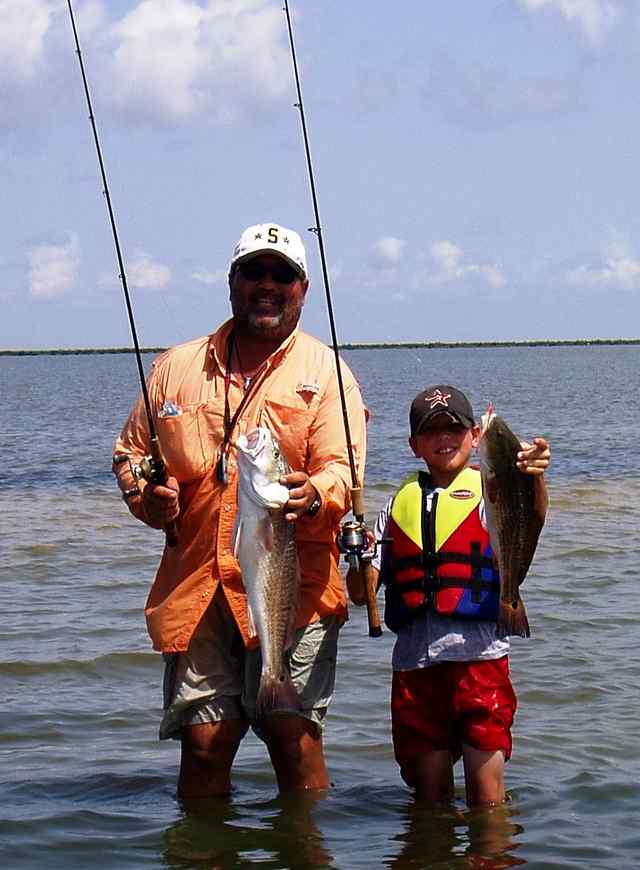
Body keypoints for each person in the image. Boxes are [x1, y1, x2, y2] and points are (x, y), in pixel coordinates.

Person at [113, 222, 367, 797]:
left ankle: (304, 841)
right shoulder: (174, 368)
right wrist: (148, 498)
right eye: (254, 272)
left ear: (303, 289)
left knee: (292, 733)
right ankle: (204, 842)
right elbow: (130, 456)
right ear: (232, 281)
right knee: (205, 741)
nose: (267, 285)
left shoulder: (327, 373)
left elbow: (343, 468)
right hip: (197, 583)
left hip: (293, 582)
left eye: (283, 275)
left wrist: (315, 493)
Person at [347, 384, 550, 807]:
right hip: (415, 668)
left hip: (480, 662)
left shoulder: (492, 488)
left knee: (487, 796)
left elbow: (531, 515)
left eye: (454, 429)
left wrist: (534, 475)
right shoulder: (397, 504)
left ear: (475, 437)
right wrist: (359, 556)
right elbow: (359, 595)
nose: (444, 439)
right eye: (431, 431)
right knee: (429, 796)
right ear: (414, 445)